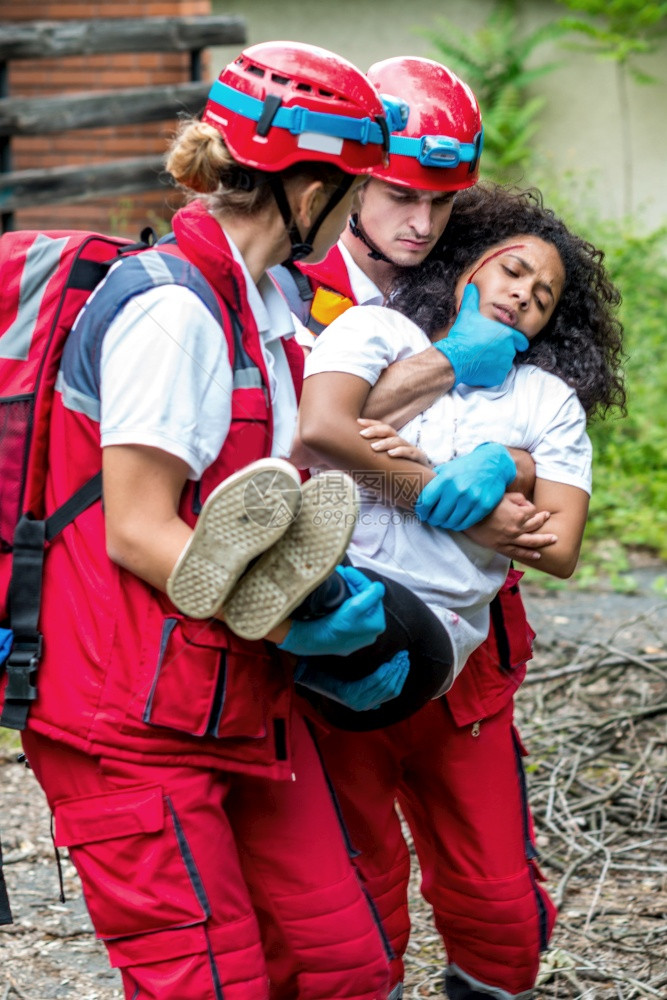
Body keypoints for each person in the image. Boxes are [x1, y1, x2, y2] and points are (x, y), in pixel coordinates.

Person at [9, 41, 406, 1000]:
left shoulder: (268, 302)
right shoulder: (171, 311)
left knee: (342, 966)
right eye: (351, 185)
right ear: (307, 187)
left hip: (237, 696)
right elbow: (139, 530)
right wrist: (289, 612)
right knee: (207, 984)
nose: (354, 206)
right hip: (128, 718)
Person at [269, 56, 623, 1000]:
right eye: (396, 193)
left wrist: (509, 464)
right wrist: (436, 451)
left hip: (470, 645)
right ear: (350, 177)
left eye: (442, 200)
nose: (419, 223)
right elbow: (306, 447)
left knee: (500, 898)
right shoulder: (289, 292)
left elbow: (554, 518)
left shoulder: (499, 324)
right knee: (349, 892)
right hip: (340, 635)